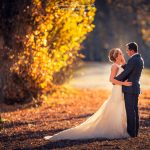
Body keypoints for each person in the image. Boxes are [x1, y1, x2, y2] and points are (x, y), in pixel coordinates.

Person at [44, 48, 132, 141]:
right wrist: (124, 83)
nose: (122, 55)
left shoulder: (120, 65)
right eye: (120, 54)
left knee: (120, 107)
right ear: (116, 56)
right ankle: (114, 131)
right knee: (115, 107)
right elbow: (111, 80)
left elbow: (127, 70)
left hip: (120, 90)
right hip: (117, 90)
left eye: (122, 53)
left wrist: (123, 62)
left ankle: (121, 129)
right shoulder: (115, 66)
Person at [115, 42, 144, 137]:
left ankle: (131, 133)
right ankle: (135, 132)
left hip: (130, 88)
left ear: (132, 50)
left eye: (127, 50)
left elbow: (126, 72)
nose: (126, 52)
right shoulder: (139, 59)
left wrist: (115, 80)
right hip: (135, 87)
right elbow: (130, 70)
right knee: (135, 110)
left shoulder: (133, 59)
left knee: (130, 111)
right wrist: (124, 64)